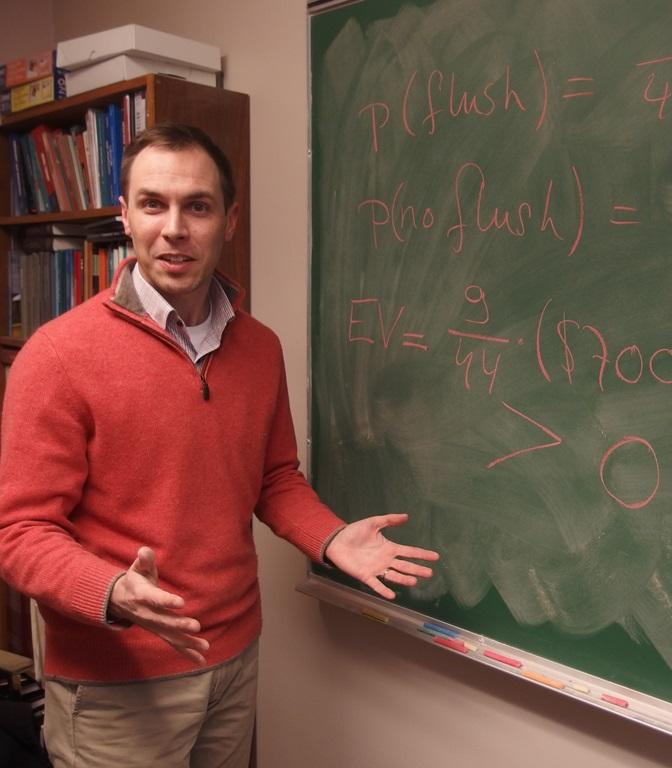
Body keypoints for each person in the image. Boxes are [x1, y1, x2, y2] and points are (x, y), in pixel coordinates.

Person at [0, 122, 440, 768]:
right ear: (124, 216)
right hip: (117, 683)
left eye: (197, 206)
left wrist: (329, 537)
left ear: (230, 220)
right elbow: (20, 533)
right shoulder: (58, 356)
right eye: (154, 204)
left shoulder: (260, 349)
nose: (174, 228)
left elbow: (275, 478)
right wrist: (113, 590)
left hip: (233, 663)